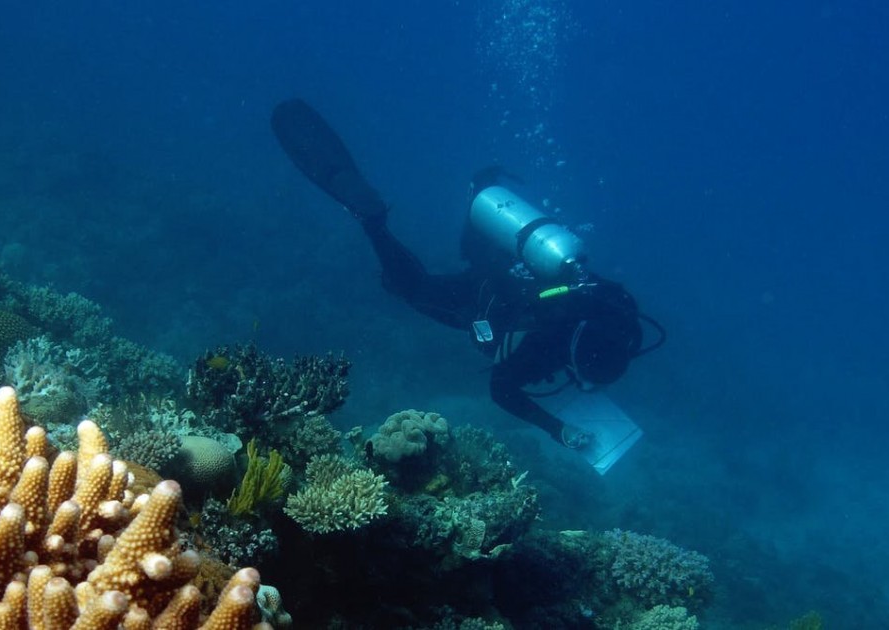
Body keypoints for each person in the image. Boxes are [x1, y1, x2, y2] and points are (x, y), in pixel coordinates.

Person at [271, 99, 662, 449]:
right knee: (413, 289)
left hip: (518, 261)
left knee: (479, 252)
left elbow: (611, 292)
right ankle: (374, 223)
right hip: (487, 295)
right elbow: (501, 390)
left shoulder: (617, 317)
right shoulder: (551, 344)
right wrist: (558, 429)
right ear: (578, 360)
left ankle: (484, 191)